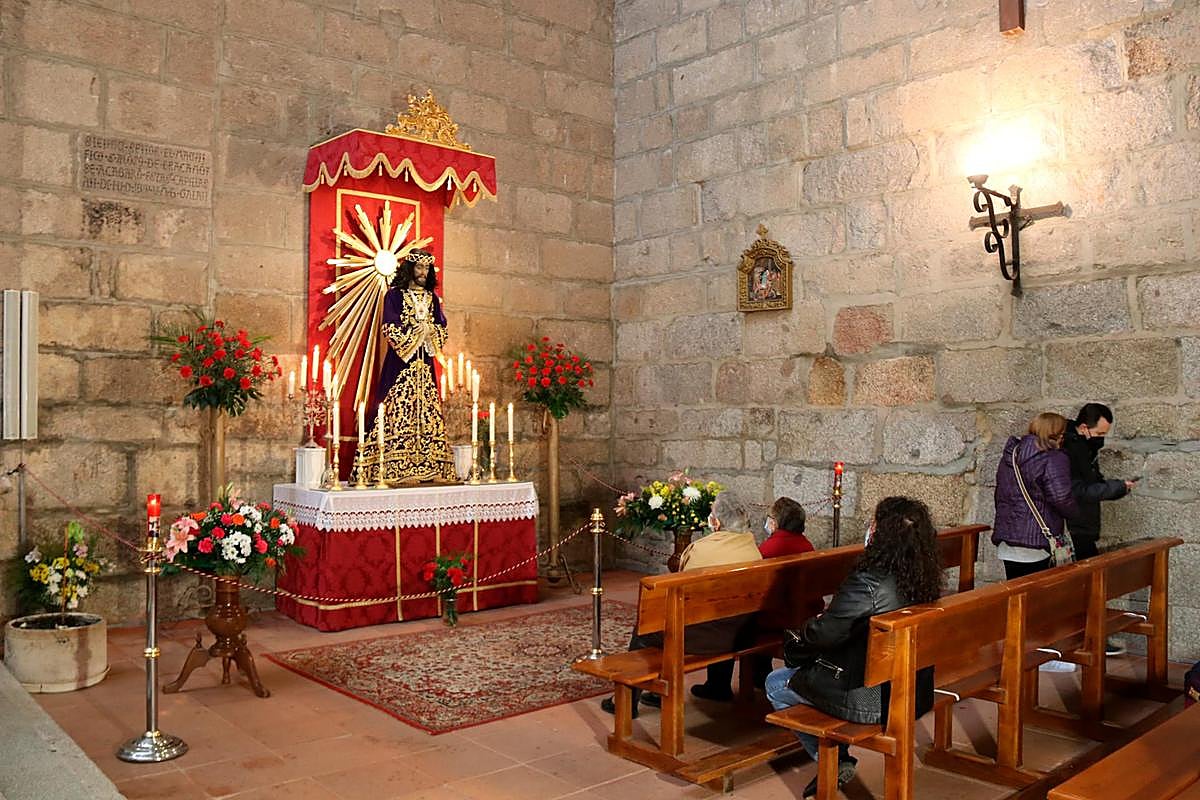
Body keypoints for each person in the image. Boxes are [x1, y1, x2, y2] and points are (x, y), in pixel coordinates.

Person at [765, 497, 942, 799]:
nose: (869, 528)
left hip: (868, 696)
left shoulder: (869, 582)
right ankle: (836, 758)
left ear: (883, 534)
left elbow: (825, 634)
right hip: (911, 687)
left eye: (874, 523)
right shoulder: (921, 576)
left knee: (775, 683)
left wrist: (800, 635)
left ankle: (834, 759)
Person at [600, 490, 762, 717]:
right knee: (720, 612)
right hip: (742, 632)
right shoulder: (752, 548)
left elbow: (681, 594)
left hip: (709, 637)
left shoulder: (702, 549)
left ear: (715, 521)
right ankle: (718, 685)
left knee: (646, 630)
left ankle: (628, 702)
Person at [692, 497, 818, 702]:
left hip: (778, 619)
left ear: (776, 523)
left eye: (770, 518)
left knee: (727, 615)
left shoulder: (770, 550)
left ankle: (718, 684)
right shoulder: (807, 545)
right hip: (804, 612)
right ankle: (760, 675)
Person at [351, 249, 456, 485]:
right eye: (419, 268)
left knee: (427, 409)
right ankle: (390, 464)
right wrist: (414, 335)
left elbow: (442, 328)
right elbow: (389, 326)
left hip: (424, 366)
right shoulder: (395, 296)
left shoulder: (432, 299)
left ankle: (430, 464)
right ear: (410, 269)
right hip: (400, 364)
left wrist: (430, 331)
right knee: (393, 408)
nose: (422, 273)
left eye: (426, 268)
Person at [1062, 403, 1136, 655]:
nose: (1102, 440)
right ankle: (1085, 641)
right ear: (1084, 427)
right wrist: (1115, 488)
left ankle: (1091, 638)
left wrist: (1117, 488)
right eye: (1101, 434)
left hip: (1084, 525)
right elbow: (1077, 491)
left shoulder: (1085, 446)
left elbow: (1092, 482)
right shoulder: (1071, 450)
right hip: (1074, 528)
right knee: (1081, 590)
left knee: (1091, 587)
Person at [992, 412, 1078, 580]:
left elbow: (1000, 495)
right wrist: (1077, 515)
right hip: (1037, 541)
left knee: (1016, 596)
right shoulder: (1053, 457)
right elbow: (1061, 497)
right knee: (1039, 599)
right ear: (1058, 434)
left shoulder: (1011, 455)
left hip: (1008, 542)